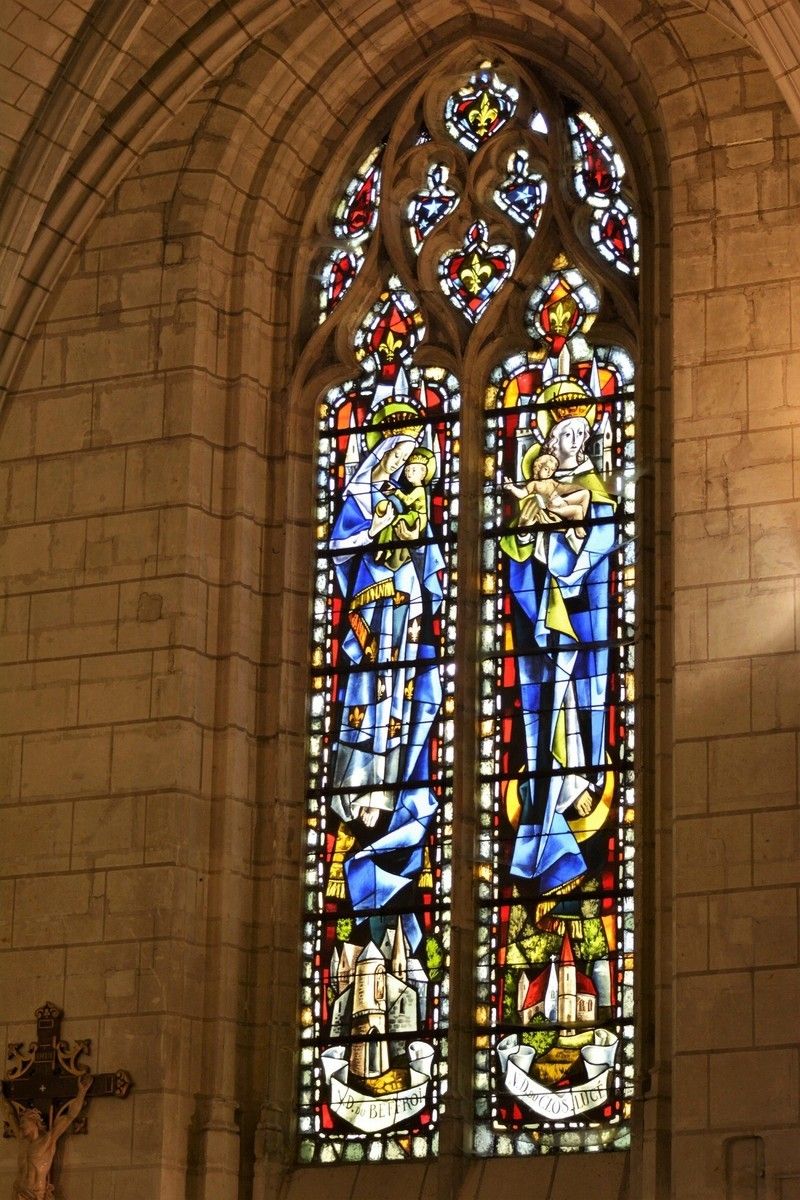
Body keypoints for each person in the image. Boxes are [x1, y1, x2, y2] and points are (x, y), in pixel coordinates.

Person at [328, 407, 445, 937]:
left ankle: (386, 800)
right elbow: (345, 549)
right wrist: (375, 527)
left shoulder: (412, 510)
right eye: (395, 456)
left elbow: (426, 571)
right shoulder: (364, 499)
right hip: (372, 639)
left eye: (408, 458)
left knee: (402, 705)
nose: (401, 466)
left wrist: (414, 598)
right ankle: (364, 794)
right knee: (364, 711)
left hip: (400, 634)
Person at [500, 408, 616, 896]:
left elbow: (602, 533)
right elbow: (514, 550)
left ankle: (574, 787)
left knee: (579, 699)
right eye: (565, 432)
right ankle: (551, 812)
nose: (573, 440)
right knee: (545, 710)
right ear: (549, 443)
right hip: (540, 622)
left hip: (582, 617)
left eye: (580, 433)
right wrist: (527, 534)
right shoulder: (534, 488)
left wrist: (569, 549)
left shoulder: (595, 488)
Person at [1, 1075, 92, 1200]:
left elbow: (70, 1116)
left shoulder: (47, 1140)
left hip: (37, 1194)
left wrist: (82, 1092)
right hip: (18, 1193)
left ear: (34, 1122)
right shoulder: (22, 1141)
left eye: (24, 1122)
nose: (20, 1126)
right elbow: (10, 1114)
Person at [503, 450, 590, 539]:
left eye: (552, 470)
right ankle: (579, 531)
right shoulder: (534, 484)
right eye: (546, 469)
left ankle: (578, 520)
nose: (549, 472)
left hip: (559, 502)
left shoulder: (552, 481)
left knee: (585, 493)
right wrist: (512, 488)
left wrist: (578, 487)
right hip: (551, 508)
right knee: (578, 509)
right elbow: (522, 494)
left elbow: (564, 488)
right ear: (538, 467)